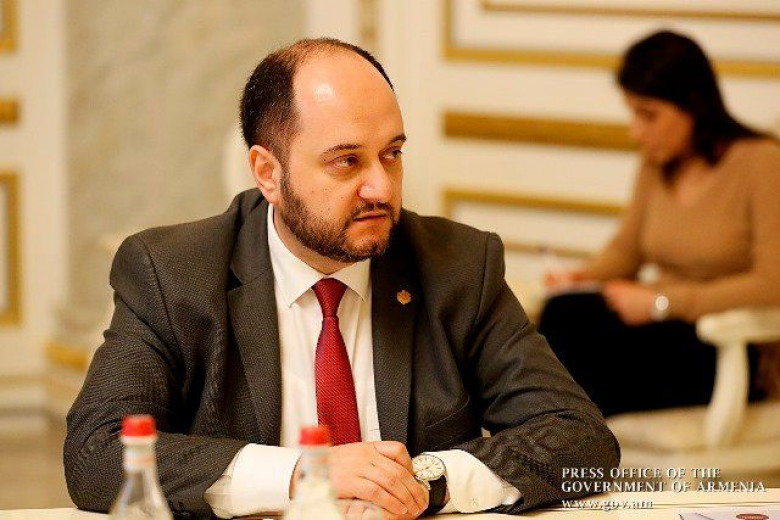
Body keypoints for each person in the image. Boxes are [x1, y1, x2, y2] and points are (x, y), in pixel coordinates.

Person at [64, 38, 619, 520]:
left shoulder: (458, 266)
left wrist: (424, 482)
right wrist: (304, 474)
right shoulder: (172, 272)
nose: (382, 188)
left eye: (392, 154)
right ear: (268, 173)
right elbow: (96, 453)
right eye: (346, 162)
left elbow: (580, 437)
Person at [539, 30, 780, 418]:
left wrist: (662, 304)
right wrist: (580, 277)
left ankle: (561, 430)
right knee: (565, 312)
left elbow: (772, 282)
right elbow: (627, 251)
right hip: (662, 329)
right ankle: (558, 430)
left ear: (693, 104)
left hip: (726, 343)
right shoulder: (658, 162)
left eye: (648, 115)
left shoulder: (761, 162)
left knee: (582, 362)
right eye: (633, 113)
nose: (636, 131)